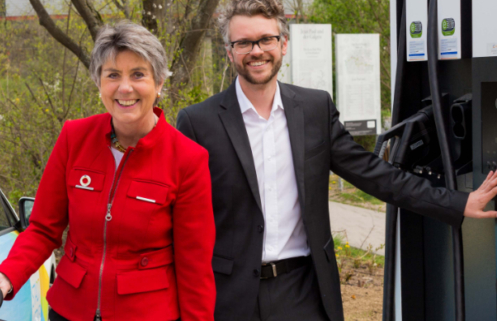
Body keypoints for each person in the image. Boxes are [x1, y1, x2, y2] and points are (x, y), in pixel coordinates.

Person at [176, 0, 497, 320]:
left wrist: (456, 203)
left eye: (266, 39)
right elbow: (182, 222)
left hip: (304, 292)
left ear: (283, 44)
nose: (256, 50)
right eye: (243, 42)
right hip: (228, 298)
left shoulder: (314, 109)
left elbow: (376, 175)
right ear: (229, 51)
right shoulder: (197, 122)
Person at [0, 22, 216, 321]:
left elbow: (194, 267)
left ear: (159, 83)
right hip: (70, 310)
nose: (125, 87)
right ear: (99, 83)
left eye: (138, 74)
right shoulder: (74, 138)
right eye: (112, 75)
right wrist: (5, 277)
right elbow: (43, 229)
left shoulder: (187, 158)